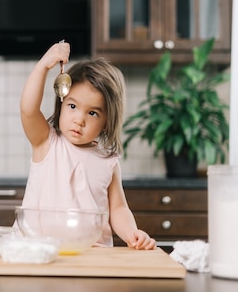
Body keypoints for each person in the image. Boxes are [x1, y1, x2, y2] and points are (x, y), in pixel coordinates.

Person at [19, 41, 156, 250]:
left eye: (92, 113)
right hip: (39, 249)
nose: (79, 119)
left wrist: (132, 234)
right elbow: (28, 109)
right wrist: (43, 66)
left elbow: (118, 209)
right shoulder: (46, 142)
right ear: (61, 105)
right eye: (72, 106)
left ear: (106, 122)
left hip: (92, 253)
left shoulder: (108, 161)